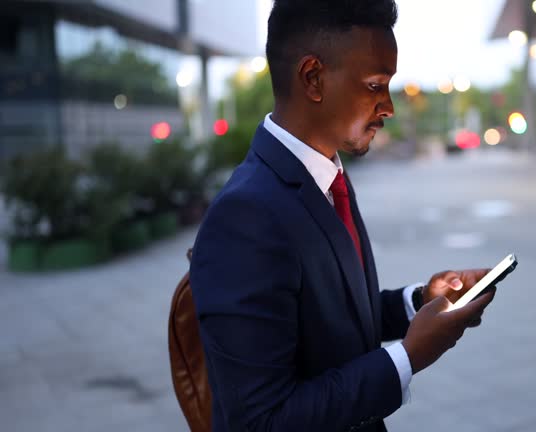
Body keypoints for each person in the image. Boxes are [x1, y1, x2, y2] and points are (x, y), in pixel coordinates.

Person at [189, 0, 498, 430]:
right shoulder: (245, 217)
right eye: (375, 85)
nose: (388, 106)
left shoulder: (326, 175)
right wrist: (408, 357)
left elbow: (332, 317)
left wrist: (420, 301)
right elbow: (261, 420)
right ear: (313, 77)